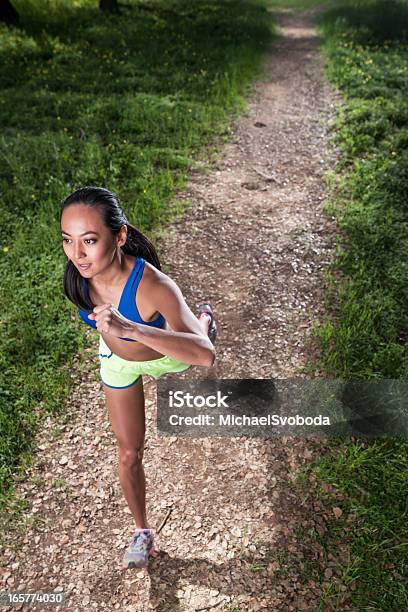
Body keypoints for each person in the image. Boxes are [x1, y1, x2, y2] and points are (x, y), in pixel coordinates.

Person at [60, 186, 217, 570]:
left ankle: (204, 320)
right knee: (129, 452)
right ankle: (143, 532)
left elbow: (204, 358)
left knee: (198, 336)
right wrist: (118, 340)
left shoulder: (155, 285)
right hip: (119, 361)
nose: (77, 254)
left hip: (166, 356)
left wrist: (133, 328)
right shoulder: (78, 278)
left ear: (120, 236)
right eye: (68, 240)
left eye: (89, 241)